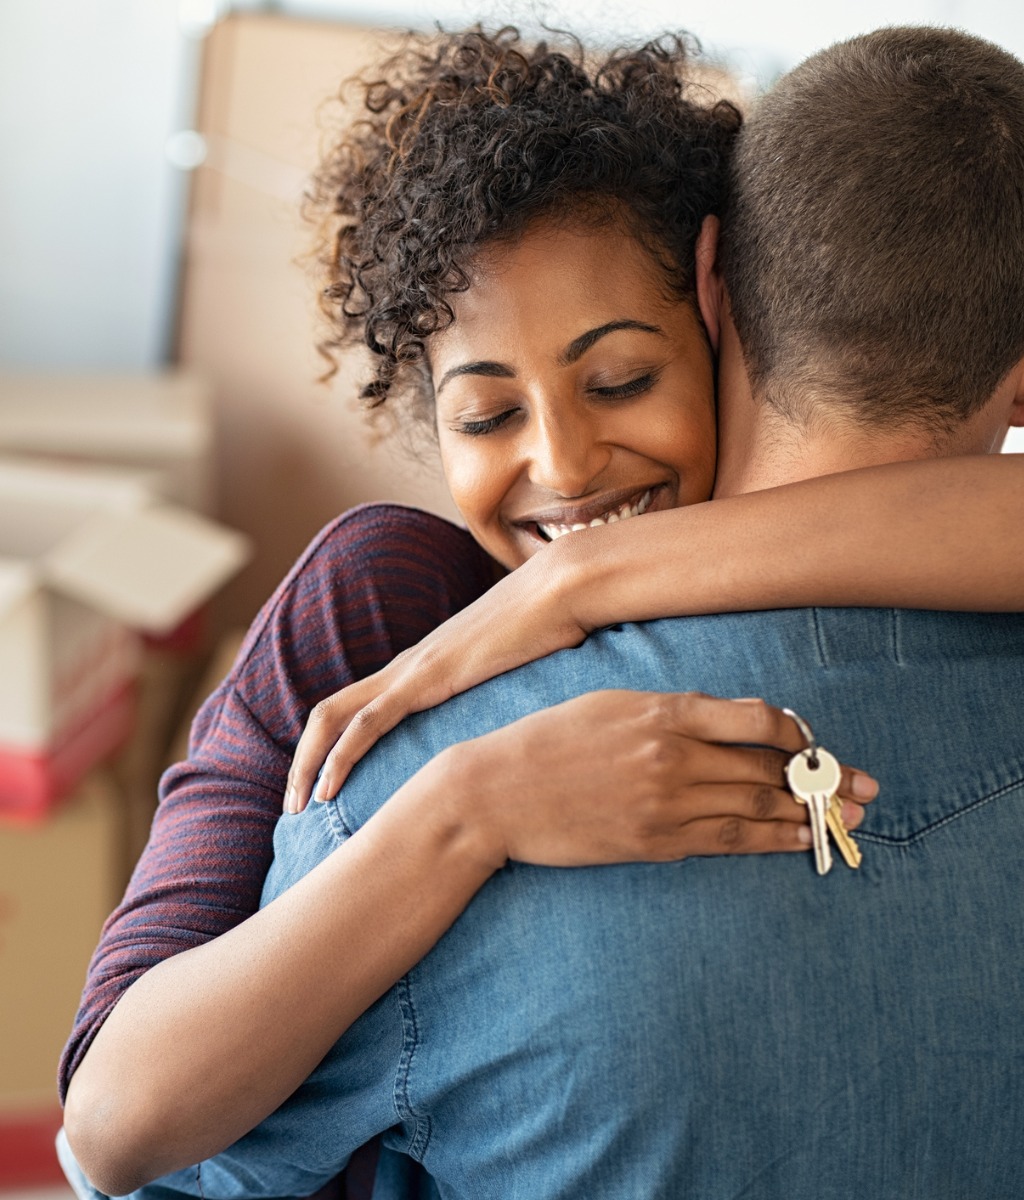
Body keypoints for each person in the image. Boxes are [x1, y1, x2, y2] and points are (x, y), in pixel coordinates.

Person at [60, 24, 1024, 1200]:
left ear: (714, 299)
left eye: (620, 381)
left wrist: (588, 582)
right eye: (484, 417)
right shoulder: (374, 627)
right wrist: (467, 808)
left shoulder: (464, 711)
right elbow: (111, 1126)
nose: (567, 467)